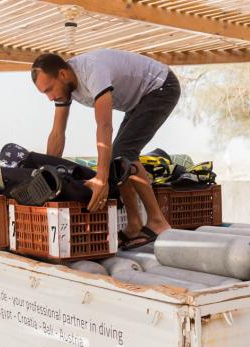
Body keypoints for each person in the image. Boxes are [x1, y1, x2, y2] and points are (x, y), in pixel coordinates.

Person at [31, 50, 178, 249]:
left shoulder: (92, 70)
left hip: (161, 86)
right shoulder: (63, 88)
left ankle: (158, 221)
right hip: (139, 100)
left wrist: (101, 178)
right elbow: (57, 133)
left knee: (123, 154)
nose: (49, 98)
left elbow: (104, 125)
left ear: (62, 74)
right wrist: (47, 176)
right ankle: (134, 224)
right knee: (117, 158)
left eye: (49, 89)